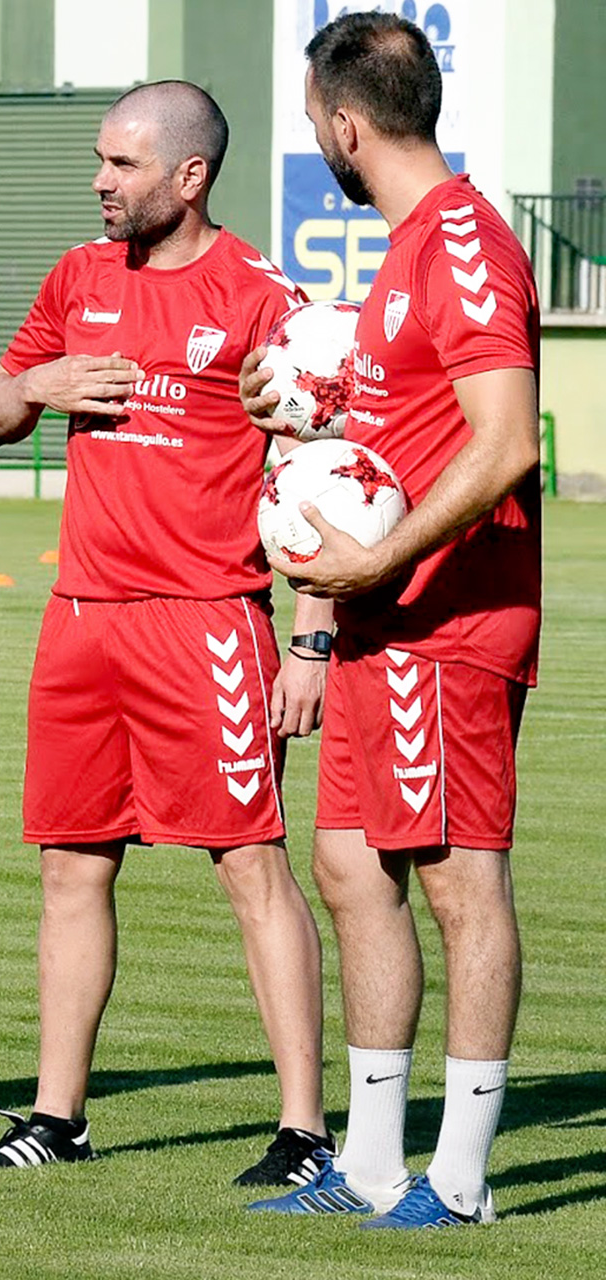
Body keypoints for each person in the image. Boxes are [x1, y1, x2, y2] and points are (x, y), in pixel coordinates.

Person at [0, 80, 335, 1185]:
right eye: (99, 160)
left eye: (121, 165)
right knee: (72, 867)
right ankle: (58, 1115)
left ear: (191, 174)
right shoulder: (79, 276)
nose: (100, 182)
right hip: (81, 620)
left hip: (207, 622)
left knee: (249, 866)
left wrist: (311, 633)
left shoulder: (265, 297)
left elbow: (326, 468)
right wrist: (40, 381)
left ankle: (306, 1129)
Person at [243, 11, 540, 1229]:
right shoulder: (406, 251)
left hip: (449, 616)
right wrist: (300, 416)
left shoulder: (464, 241)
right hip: (381, 617)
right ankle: (368, 1164)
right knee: (351, 865)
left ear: (346, 124)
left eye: (316, 119)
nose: (318, 136)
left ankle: (458, 1180)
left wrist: (378, 560)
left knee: (463, 885)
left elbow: (505, 442)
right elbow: (389, 442)